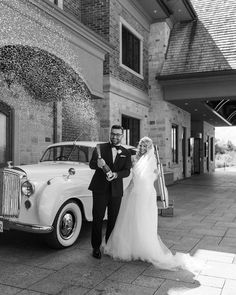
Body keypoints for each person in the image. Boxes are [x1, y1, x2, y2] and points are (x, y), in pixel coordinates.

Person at [103, 136, 199, 271]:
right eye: (141, 145)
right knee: (130, 219)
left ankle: (143, 248)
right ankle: (131, 247)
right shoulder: (135, 158)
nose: (142, 148)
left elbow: (151, 178)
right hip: (133, 192)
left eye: (145, 146)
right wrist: (128, 189)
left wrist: (156, 174)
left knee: (143, 220)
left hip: (145, 193)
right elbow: (134, 176)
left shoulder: (152, 160)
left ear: (149, 148)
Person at [88, 125, 132, 259]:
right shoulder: (100, 147)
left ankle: (108, 245)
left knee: (113, 220)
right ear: (110, 134)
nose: (115, 136)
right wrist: (98, 164)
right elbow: (91, 165)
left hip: (116, 191)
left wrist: (116, 175)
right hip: (100, 189)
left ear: (122, 136)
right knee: (97, 219)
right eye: (113, 134)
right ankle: (96, 247)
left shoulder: (126, 152)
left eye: (118, 134)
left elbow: (127, 171)